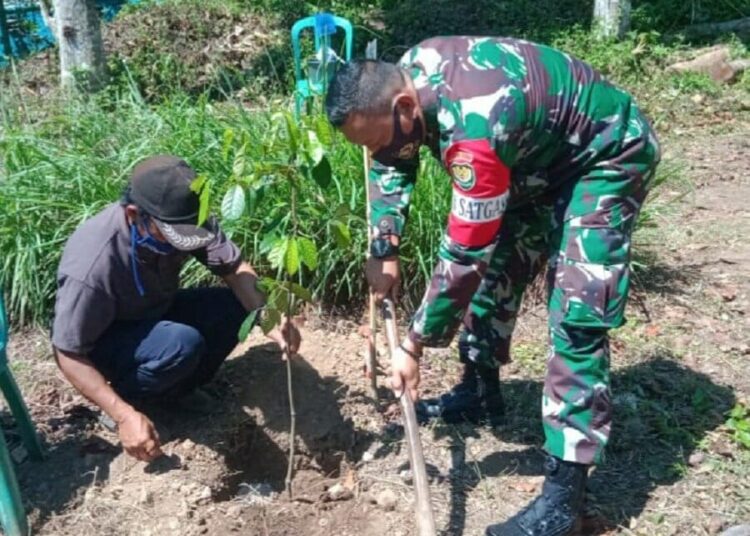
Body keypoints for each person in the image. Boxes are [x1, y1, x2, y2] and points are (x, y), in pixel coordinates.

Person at [325, 36, 660, 535]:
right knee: (498, 272)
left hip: (603, 159)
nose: (384, 154)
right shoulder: (409, 76)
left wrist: (414, 343)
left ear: (403, 106)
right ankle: (478, 393)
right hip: (534, 163)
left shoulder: (475, 129)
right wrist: (384, 248)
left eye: (382, 141)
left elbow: (465, 254)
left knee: (577, 312)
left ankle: (564, 502)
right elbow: (392, 164)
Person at [51, 155, 301, 463]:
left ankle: (177, 391)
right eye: (174, 236)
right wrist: (122, 414)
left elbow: (235, 270)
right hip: (107, 341)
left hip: (154, 313)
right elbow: (67, 352)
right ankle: (132, 402)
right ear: (134, 215)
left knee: (235, 308)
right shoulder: (92, 265)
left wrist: (268, 316)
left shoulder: (186, 217)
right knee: (180, 345)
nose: (185, 244)